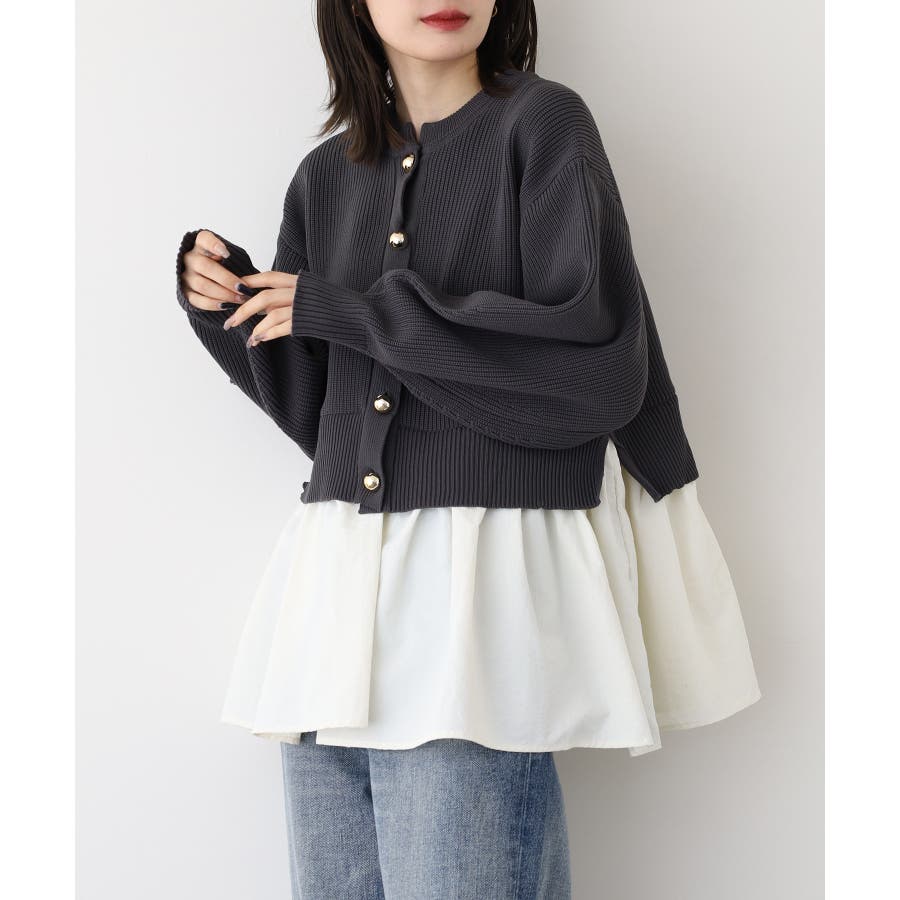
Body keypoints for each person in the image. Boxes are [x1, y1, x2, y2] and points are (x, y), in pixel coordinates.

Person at [174, 2, 761, 897]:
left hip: (475, 596)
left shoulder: (543, 124)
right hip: (331, 602)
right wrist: (227, 308)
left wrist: (356, 313)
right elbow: (326, 416)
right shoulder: (324, 176)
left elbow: (596, 371)